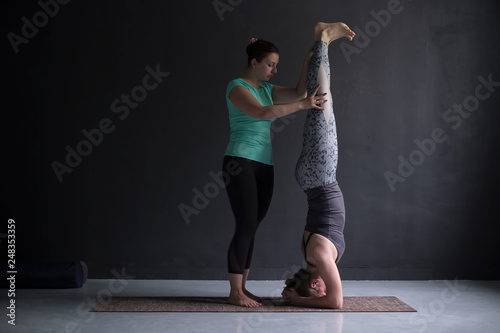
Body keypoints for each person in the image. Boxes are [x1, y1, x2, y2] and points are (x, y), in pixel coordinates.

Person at [223, 34, 329, 307]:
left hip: (263, 164)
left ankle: (242, 289)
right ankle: (235, 292)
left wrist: (306, 65)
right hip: (240, 161)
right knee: (245, 224)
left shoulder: (267, 89)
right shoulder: (237, 87)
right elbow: (260, 113)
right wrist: (303, 106)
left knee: (252, 226)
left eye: (276, 65)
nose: (274, 70)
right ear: (254, 62)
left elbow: (298, 93)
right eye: (270, 65)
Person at [281, 22, 355, 309]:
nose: (327, 280)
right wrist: (298, 293)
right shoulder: (307, 252)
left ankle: (322, 37)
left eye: (320, 286)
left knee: (323, 101)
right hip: (313, 176)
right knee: (321, 105)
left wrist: (297, 301)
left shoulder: (320, 256)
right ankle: (322, 43)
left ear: (315, 283)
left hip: (321, 173)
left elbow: (335, 303)